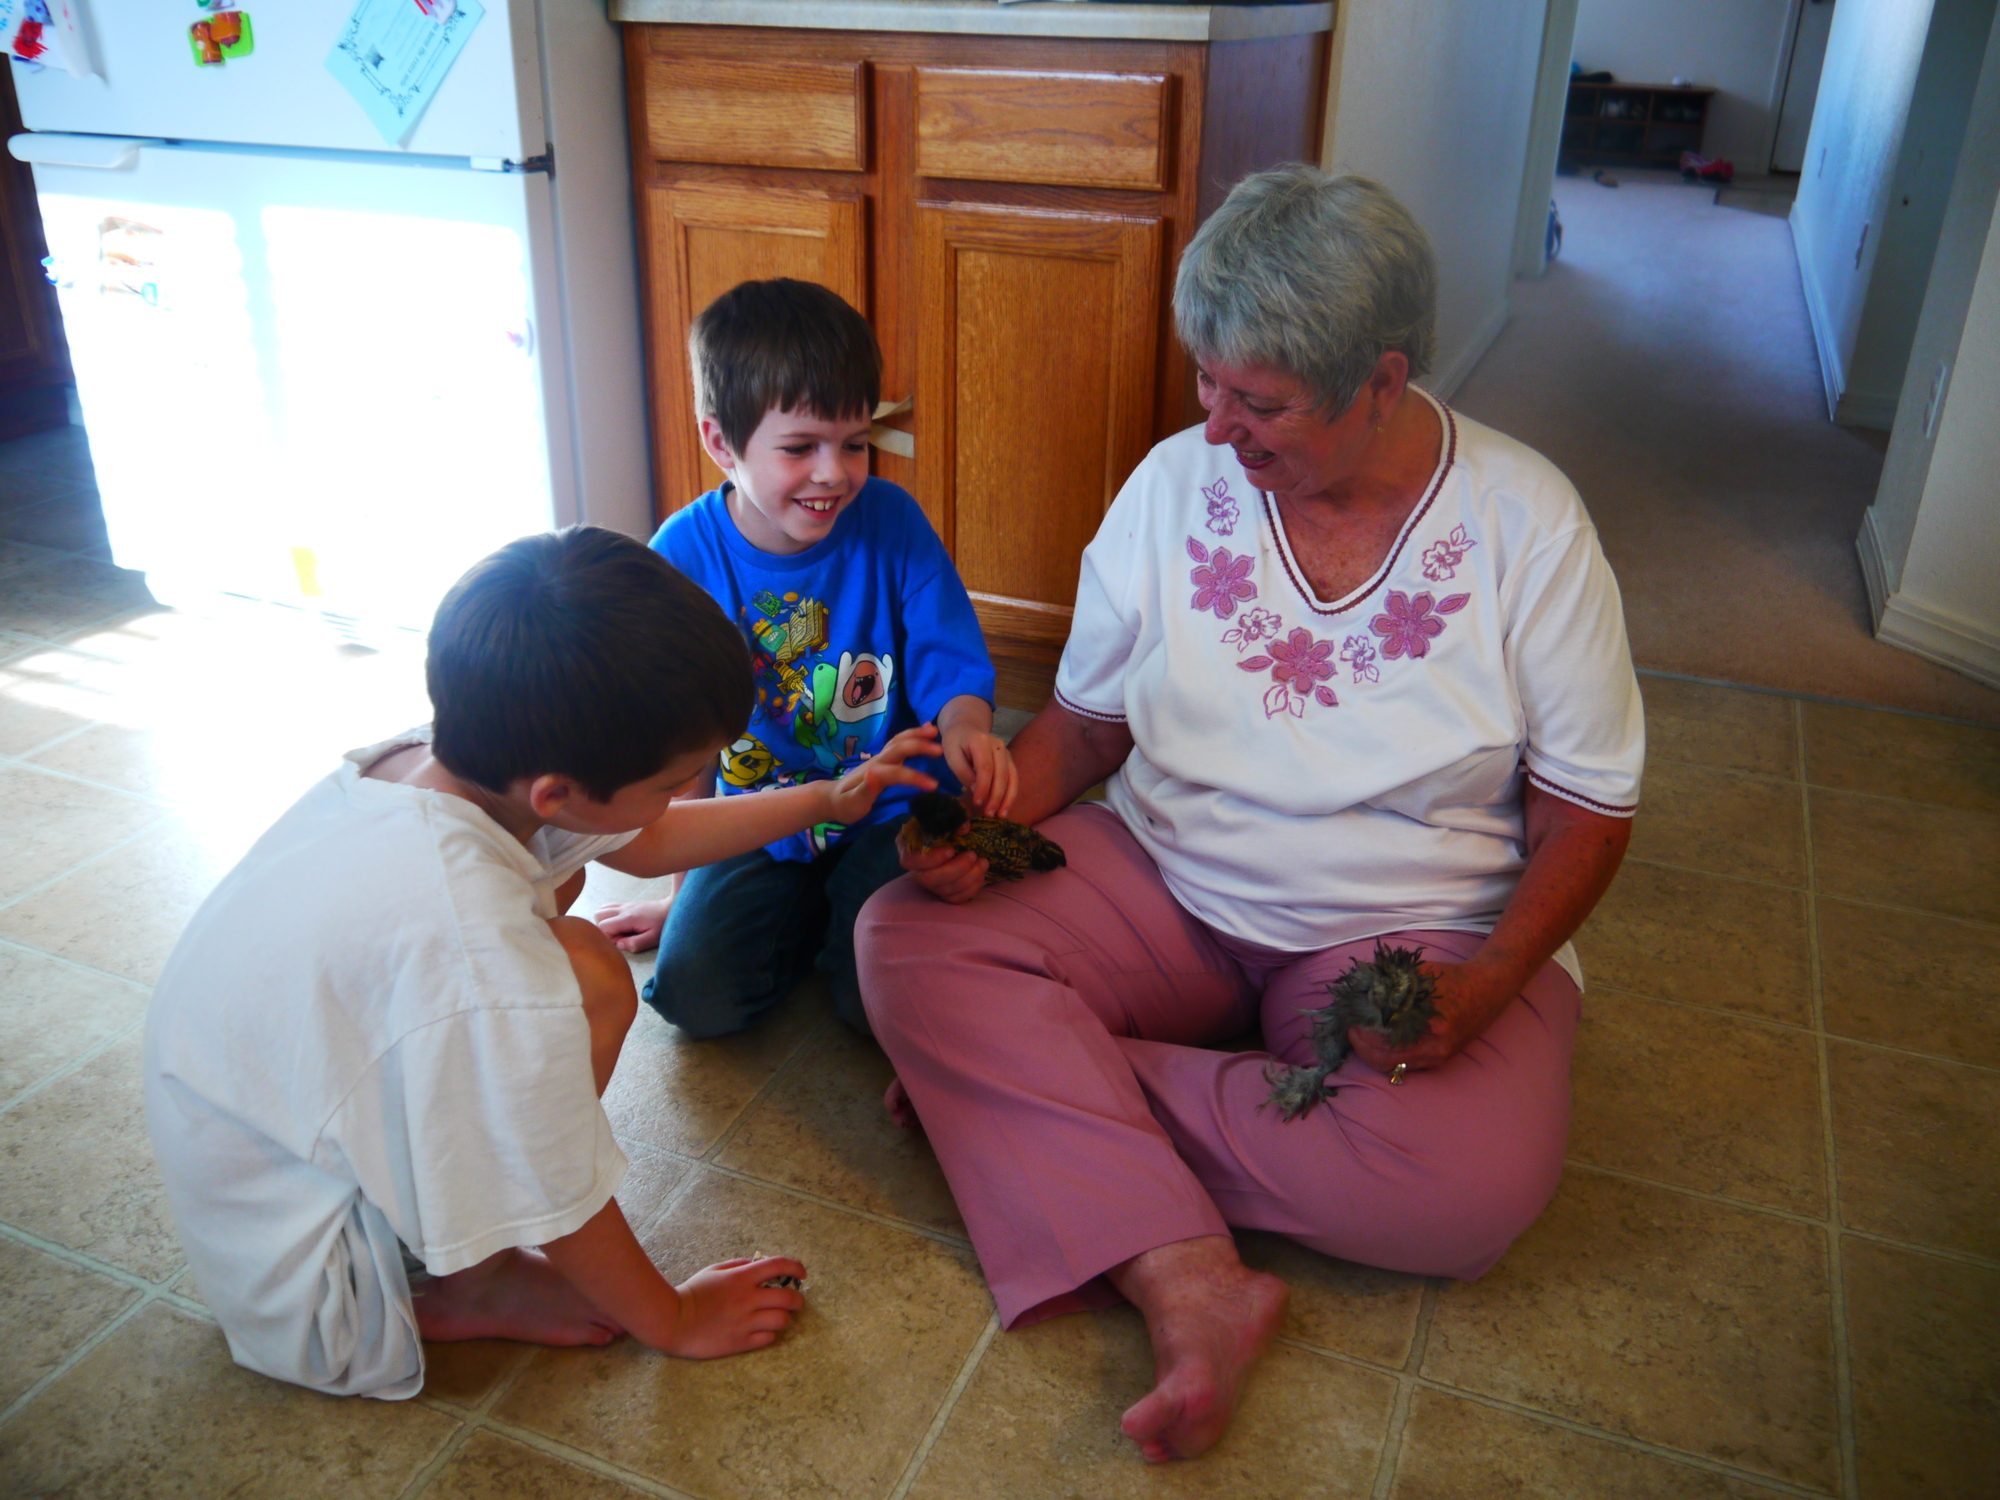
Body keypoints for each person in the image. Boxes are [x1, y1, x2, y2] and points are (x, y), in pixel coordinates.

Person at [857, 166, 1645, 1462]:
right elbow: (1088, 727)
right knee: (904, 935)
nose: (1216, 428)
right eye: (1206, 384)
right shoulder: (1175, 484)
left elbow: (1588, 811)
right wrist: (979, 822)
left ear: (1382, 381)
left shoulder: (1528, 525)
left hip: (1407, 932)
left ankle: (1033, 1090)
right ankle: (1190, 1277)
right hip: (1164, 878)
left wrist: (1494, 983)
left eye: (1260, 402)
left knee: (1464, 1191)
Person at [143, 527, 941, 1398]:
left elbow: (643, 839)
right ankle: (468, 1280)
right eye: (671, 780)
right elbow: (547, 1163)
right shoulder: (468, 941)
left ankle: (467, 1261)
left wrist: (825, 799)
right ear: (558, 793)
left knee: (575, 936)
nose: (684, 791)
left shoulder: (449, 764)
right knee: (573, 984)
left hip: (285, 1162)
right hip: (321, 1281)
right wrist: (673, 1319)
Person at [593, 278, 1011, 1037]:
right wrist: (682, 899)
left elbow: (950, 659)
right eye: (799, 448)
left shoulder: (892, 520)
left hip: (890, 808)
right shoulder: (680, 558)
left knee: (875, 1005)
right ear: (721, 444)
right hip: (759, 815)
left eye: (854, 443)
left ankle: (846, 920)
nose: (834, 473)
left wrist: (968, 729)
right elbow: (681, 761)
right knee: (696, 997)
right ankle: (821, 915)